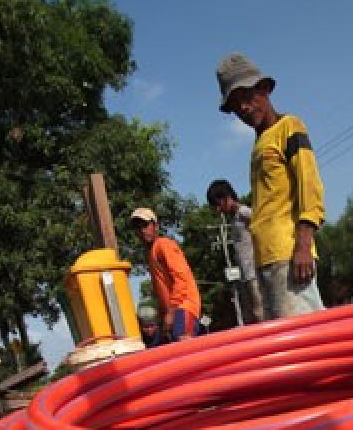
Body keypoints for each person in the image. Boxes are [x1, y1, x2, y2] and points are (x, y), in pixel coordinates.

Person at [215, 53, 326, 319]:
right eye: (234, 105)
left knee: (304, 338)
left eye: (246, 97)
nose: (242, 108)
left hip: (288, 254)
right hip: (265, 259)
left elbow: (309, 186)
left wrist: (302, 246)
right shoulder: (259, 145)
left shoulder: (289, 127)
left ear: (264, 88)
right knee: (284, 341)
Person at [129, 207, 202, 342]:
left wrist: (171, 312)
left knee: (183, 342)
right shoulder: (151, 253)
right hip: (173, 310)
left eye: (145, 225)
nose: (142, 230)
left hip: (183, 305)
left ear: (155, 226)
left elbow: (181, 279)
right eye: (138, 228)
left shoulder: (164, 245)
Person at [206, 178, 265, 323]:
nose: (219, 210)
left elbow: (263, 229)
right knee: (250, 317)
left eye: (219, 204)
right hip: (244, 275)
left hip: (255, 272)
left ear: (227, 197)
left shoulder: (244, 213)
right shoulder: (233, 220)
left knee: (261, 313)